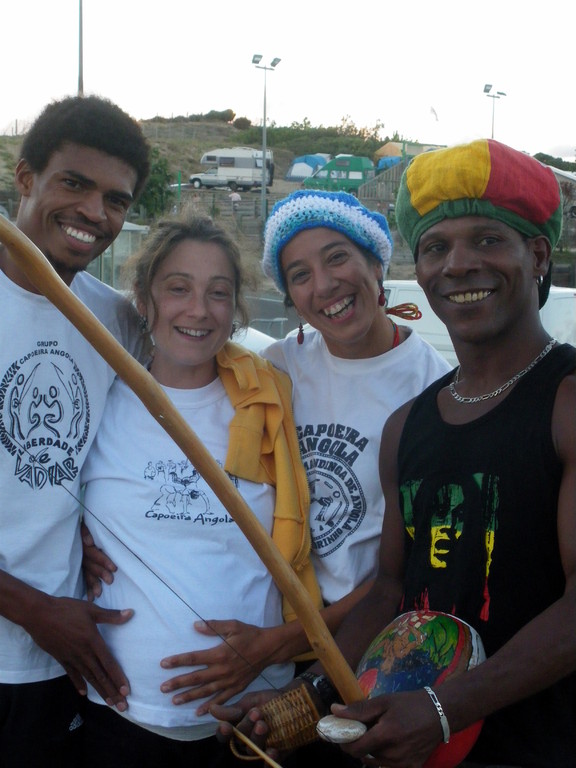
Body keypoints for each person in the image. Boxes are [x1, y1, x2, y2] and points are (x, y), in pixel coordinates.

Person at [214, 140, 576, 768]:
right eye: (436, 247)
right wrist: (305, 700)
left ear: (538, 255)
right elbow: (388, 592)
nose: (458, 264)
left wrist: (443, 710)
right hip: (408, 743)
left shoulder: (566, 400)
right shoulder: (410, 424)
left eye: (488, 240)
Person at [78, 212, 322, 767]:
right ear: (144, 299)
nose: (198, 310)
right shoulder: (99, 397)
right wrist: (78, 545)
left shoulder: (272, 402)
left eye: (218, 293)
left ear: (236, 310)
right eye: (178, 288)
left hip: (255, 720)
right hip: (121, 716)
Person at [0, 95, 151, 767]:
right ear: (25, 177)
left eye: (116, 200)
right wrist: (30, 607)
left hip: (58, 662)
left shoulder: (115, 320)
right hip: (45, 626)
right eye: (75, 184)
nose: (95, 212)